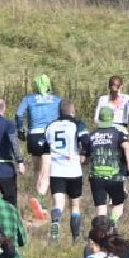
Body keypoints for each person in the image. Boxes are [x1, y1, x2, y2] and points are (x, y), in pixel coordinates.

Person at [15, 75, 62, 219]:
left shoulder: (29, 99)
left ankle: (36, 199)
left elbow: (18, 114)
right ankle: (40, 200)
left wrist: (20, 129)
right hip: (49, 134)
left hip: (33, 135)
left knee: (36, 169)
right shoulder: (56, 100)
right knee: (46, 171)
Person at [44, 100, 89, 243]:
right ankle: (76, 237)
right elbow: (87, 141)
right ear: (72, 111)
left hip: (56, 170)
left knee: (58, 203)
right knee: (75, 204)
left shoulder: (50, 126)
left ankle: (55, 227)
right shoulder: (77, 124)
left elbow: (42, 145)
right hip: (73, 170)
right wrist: (85, 153)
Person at [83, 106, 129, 224]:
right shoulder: (118, 134)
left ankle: (102, 231)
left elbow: (83, 159)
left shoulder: (91, 136)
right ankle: (113, 222)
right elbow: (128, 148)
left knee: (101, 209)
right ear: (112, 118)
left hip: (96, 177)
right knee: (118, 204)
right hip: (115, 176)